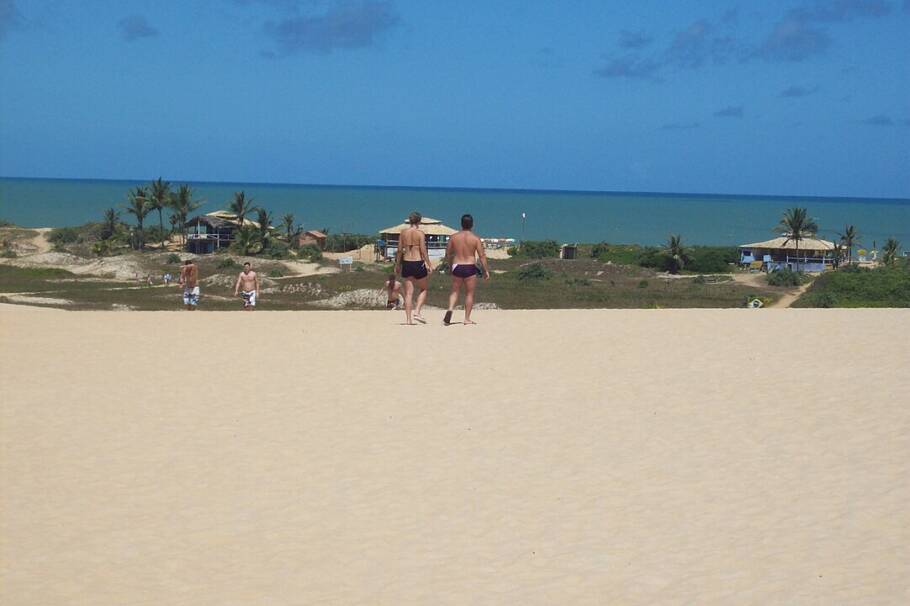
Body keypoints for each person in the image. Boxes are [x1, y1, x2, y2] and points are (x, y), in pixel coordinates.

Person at [443, 213, 490, 325]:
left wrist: (450, 267)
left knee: (454, 291)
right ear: (472, 224)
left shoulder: (454, 237)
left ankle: (450, 309)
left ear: (461, 224)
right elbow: (482, 256)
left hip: (457, 265)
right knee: (469, 293)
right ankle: (467, 318)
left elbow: (448, 254)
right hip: (469, 266)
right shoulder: (475, 238)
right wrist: (485, 270)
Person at [395, 211, 433, 324]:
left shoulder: (403, 233)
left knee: (408, 293)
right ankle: (417, 312)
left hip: (407, 263)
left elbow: (399, 250)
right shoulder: (420, 233)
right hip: (418, 262)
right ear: (419, 221)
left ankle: (408, 320)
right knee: (424, 289)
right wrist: (429, 264)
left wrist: (397, 265)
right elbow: (423, 250)